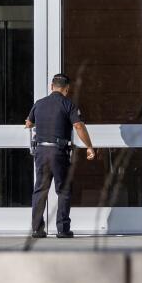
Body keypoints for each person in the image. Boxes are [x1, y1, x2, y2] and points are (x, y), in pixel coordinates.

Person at [25, 74, 96, 238]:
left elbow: (28, 123)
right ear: (67, 89)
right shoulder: (68, 104)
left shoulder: (39, 104)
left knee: (40, 190)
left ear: (51, 87)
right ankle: (63, 229)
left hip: (41, 151)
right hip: (58, 152)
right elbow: (78, 125)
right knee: (63, 190)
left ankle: (37, 229)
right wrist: (89, 147)